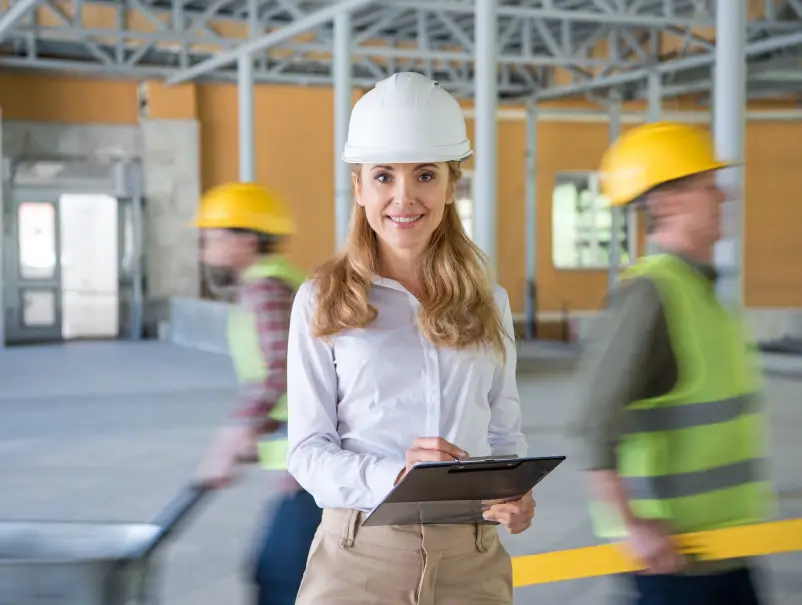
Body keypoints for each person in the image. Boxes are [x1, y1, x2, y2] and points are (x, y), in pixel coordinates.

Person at [284, 72, 535, 604]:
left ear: (450, 187)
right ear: (358, 187)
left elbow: (504, 438)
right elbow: (307, 452)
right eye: (382, 177)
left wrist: (514, 494)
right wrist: (394, 476)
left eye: (424, 175)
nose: (404, 197)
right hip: (359, 559)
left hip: (472, 562)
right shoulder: (322, 300)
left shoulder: (490, 302)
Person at [569, 122, 774, 605]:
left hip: (726, 548)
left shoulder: (704, 293)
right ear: (667, 202)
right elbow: (592, 420)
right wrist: (631, 524)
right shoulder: (651, 295)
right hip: (674, 563)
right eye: (708, 187)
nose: (723, 197)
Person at [193, 182, 322, 605]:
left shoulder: (265, 289)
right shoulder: (277, 282)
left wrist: (234, 437)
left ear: (245, 240)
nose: (203, 249)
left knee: (279, 578)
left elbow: (278, 371)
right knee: (285, 573)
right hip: (306, 456)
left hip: (309, 462)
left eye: (211, 237)